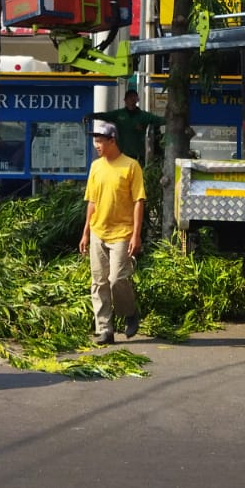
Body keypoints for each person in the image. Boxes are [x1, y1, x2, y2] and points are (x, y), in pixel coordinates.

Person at [80, 119, 146, 345]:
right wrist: (86, 232)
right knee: (99, 282)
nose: (96, 145)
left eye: (100, 141)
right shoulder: (95, 167)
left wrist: (136, 234)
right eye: (95, 141)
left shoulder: (131, 166)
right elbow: (91, 201)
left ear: (112, 140)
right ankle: (105, 330)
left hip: (122, 232)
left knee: (117, 279)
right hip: (99, 230)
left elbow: (139, 200)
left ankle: (129, 313)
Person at [95, 87, 165, 164]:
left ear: (137, 100)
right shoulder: (119, 114)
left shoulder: (143, 116)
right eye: (129, 98)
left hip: (138, 154)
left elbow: (159, 120)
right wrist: (91, 116)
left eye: (134, 97)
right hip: (121, 153)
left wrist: (173, 119)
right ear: (125, 100)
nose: (131, 100)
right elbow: (104, 115)